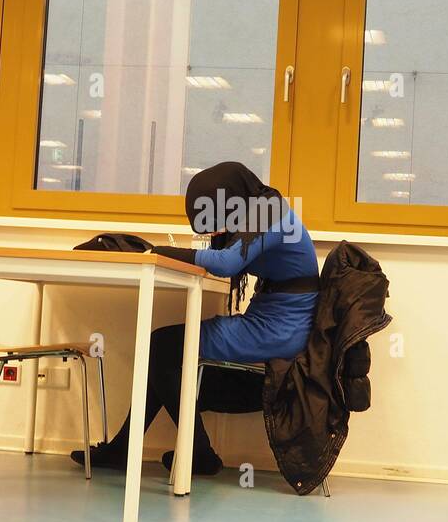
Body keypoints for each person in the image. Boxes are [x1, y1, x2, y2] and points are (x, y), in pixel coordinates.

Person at [71, 162, 319, 477]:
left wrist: (161, 252)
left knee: (163, 346)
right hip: (274, 321)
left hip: (279, 330)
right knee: (164, 352)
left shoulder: (271, 214)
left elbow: (228, 263)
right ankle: (143, 449)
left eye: (215, 221)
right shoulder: (263, 210)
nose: (214, 232)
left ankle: (191, 452)